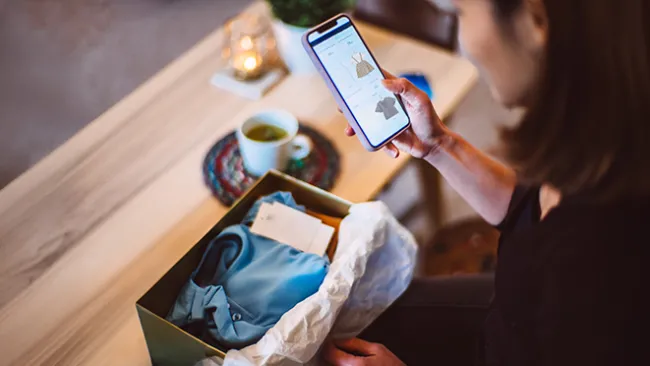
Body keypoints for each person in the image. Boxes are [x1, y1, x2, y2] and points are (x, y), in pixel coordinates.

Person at [323, 0, 650, 365]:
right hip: (509, 320)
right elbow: (526, 210)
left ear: (536, 20)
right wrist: (437, 145)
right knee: (356, 312)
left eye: (461, 14)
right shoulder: (600, 141)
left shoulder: (595, 269)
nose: (465, 40)